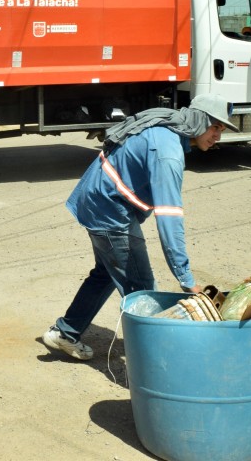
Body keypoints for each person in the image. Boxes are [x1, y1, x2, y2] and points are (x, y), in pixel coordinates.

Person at [42, 93, 238, 360]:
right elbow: (169, 219)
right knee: (142, 288)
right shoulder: (168, 153)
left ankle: (65, 332)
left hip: (98, 200)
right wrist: (186, 280)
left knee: (106, 273)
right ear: (198, 120)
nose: (218, 135)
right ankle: (157, 365)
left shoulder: (168, 128)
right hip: (109, 210)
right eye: (215, 127)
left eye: (222, 130)